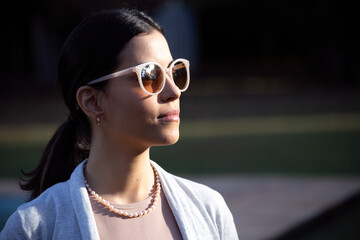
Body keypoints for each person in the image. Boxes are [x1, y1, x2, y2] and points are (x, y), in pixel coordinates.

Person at [0, 9, 238, 240]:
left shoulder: (209, 210)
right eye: (150, 76)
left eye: (174, 72)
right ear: (92, 101)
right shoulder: (35, 228)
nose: (173, 91)